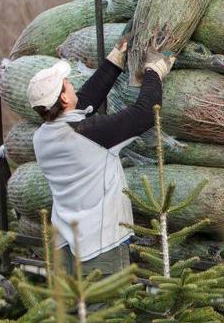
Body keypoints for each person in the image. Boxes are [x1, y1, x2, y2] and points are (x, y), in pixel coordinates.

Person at [28, 37, 174, 276]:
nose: (73, 86)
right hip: (100, 251)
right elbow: (144, 114)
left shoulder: (42, 137)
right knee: (105, 313)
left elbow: (82, 105)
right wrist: (153, 72)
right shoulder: (90, 134)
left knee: (76, 313)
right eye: (68, 85)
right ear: (64, 98)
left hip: (66, 249)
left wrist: (113, 62)